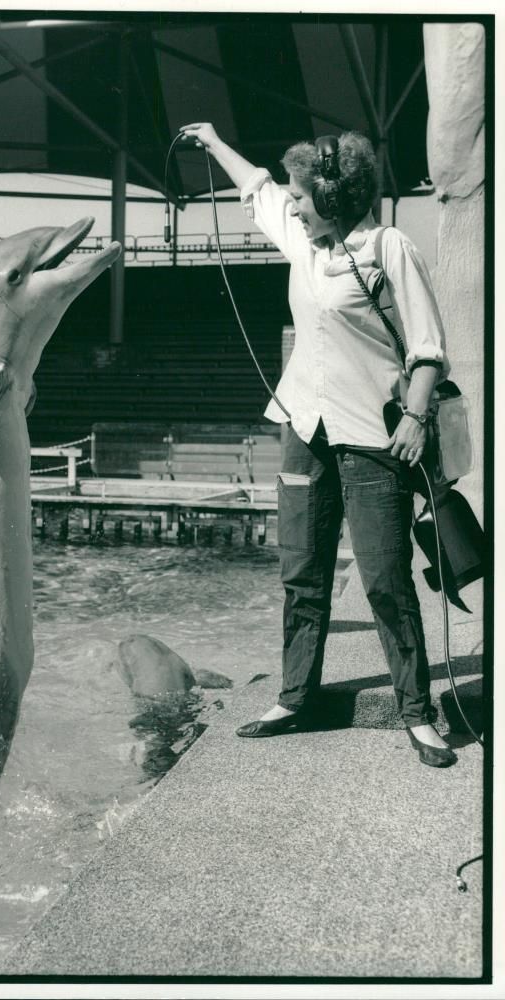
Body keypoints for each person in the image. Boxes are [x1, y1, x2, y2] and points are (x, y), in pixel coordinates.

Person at [178, 122, 457, 768]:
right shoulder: (304, 243)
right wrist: (215, 140)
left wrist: (415, 418)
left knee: (386, 579)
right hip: (303, 425)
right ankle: (295, 696)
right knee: (301, 575)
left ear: (331, 197)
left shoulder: (390, 250)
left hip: (371, 434)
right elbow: (256, 189)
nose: (293, 205)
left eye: (303, 197)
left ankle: (418, 710)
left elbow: (427, 348)